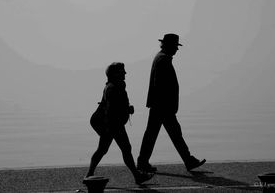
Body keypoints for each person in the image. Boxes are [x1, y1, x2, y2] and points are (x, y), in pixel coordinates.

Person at [137, 34, 206, 173]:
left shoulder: (161, 57)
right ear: (168, 46)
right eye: (175, 46)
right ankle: (188, 160)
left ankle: (143, 162)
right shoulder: (163, 60)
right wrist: (169, 105)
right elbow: (161, 85)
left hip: (160, 105)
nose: (177, 49)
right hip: (163, 106)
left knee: (156, 134)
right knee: (171, 133)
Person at [86, 62, 154, 184]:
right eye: (122, 71)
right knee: (124, 148)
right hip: (113, 124)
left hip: (112, 124)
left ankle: (89, 174)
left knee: (103, 150)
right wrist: (127, 110)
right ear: (115, 74)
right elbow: (112, 109)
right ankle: (137, 176)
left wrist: (126, 109)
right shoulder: (112, 88)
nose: (125, 73)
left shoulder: (115, 86)